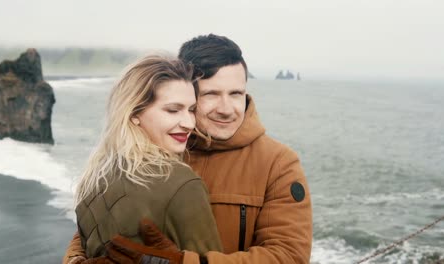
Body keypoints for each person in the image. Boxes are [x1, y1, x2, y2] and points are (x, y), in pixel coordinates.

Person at [64, 34, 313, 264]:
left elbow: (289, 255)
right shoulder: (151, 149)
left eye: (236, 93)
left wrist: (184, 262)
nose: (227, 108)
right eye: (211, 94)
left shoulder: (277, 163)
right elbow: (94, 224)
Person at [65, 55, 223, 264]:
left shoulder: (94, 178)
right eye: (173, 110)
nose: (188, 123)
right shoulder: (181, 183)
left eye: (191, 110)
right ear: (134, 113)